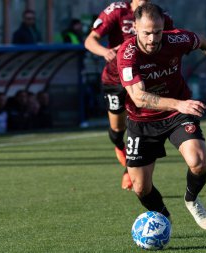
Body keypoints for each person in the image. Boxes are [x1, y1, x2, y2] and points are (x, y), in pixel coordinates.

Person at [117, 3, 206, 229]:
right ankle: (163, 216)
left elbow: (204, 42)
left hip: (177, 114)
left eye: (157, 32)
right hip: (142, 120)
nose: (152, 39)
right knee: (140, 188)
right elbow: (138, 97)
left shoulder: (176, 39)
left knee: (198, 162)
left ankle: (191, 199)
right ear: (134, 27)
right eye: (146, 33)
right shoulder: (127, 54)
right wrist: (179, 104)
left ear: (163, 26)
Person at [84, 0, 174, 190]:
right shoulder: (117, 11)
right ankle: (119, 147)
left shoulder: (160, 16)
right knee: (117, 129)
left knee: (141, 123)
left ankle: (131, 170)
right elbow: (90, 40)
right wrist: (106, 52)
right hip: (115, 78)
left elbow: (170, 43)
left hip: (145, 78)